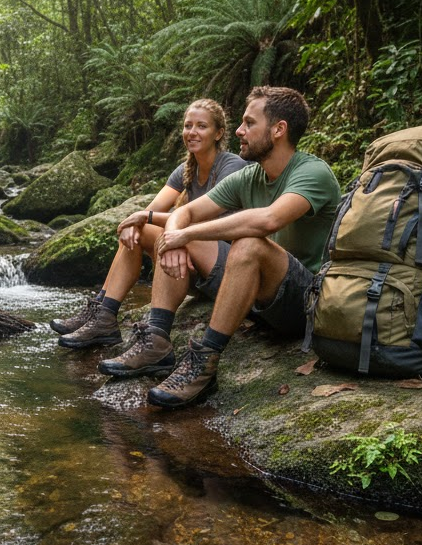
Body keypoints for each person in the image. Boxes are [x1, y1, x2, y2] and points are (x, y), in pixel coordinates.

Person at [97, 86, 341, 409]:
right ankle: (156, 341)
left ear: (279, 130)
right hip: (253, 294)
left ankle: (204, 362)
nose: (240, 131)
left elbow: (268, 220)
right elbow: (186, 212)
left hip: (301, 300)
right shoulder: (251, 176)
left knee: (249, 242)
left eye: (249, 123)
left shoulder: (313, 173)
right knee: (187, 232)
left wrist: (181, 235)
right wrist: (174, 237)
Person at [51, 98, 249, 349]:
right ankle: (103, 313)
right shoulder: (185, 170)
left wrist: (147, 219)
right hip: (188, 265)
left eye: (201, 126)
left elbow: (203, 220)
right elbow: (150, 212)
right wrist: (136, 222)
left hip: (225, 267)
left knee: (161, 228)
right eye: (188, 126)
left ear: (218, 133)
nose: (192, 132)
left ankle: (125, 323)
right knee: (139, 229)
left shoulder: (231, 166)